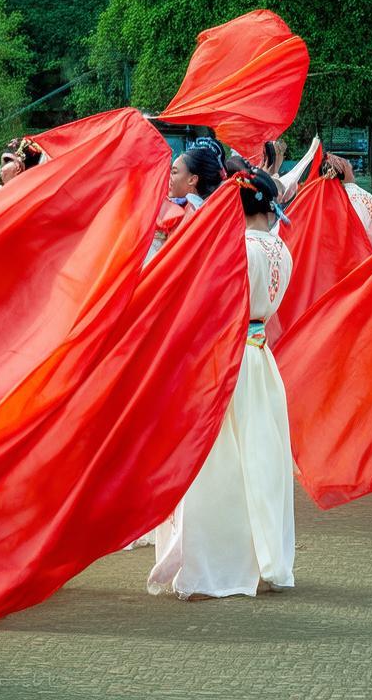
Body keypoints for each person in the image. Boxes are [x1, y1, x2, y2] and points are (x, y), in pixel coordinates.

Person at [148, 168, 296, 598]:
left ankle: (217, 560)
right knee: (262, 462)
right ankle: (266, 555)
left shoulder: (237, 249)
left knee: (220, 462)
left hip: (230, 362)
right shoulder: (281, 251)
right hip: (262, 362)